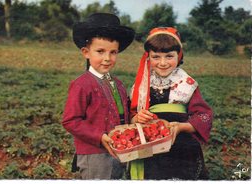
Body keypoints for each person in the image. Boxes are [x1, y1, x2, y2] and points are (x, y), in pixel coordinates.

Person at [129, 27, 213, 180]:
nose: (163, 63)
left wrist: (181, 127)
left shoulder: (186, 84)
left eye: (169, 56)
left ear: (178, 55)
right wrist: (137, 118)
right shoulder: (142, 84)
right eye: (156, 57)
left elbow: (203, 116)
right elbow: (131, 115)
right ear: (148, 56)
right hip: (150, 147)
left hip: (181, 148)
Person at [62, 13, 135, 179]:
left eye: (113, 52)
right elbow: (70, 121)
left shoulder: (118, 84)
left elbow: (124, 114)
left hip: (119, 150)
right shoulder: (82, 84)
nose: (107, 58)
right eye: (100, 51)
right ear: (86, 52)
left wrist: (136, 120)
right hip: (95, 155)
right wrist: (100, 136)